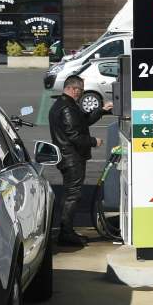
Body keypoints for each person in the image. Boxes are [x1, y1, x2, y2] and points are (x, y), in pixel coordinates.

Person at [48, 74, 112, 246]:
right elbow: (75, 135)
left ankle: (66, 230)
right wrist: (94, 141)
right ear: (73, 89)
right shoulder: (67, 108)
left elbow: (82, 122)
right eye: (80, 90)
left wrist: (101, 110)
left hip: (68, 157)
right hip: (72, 158)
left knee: (71, 194)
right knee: (72, 195)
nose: (81, 94)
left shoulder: (63, 105)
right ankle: (66, 232)